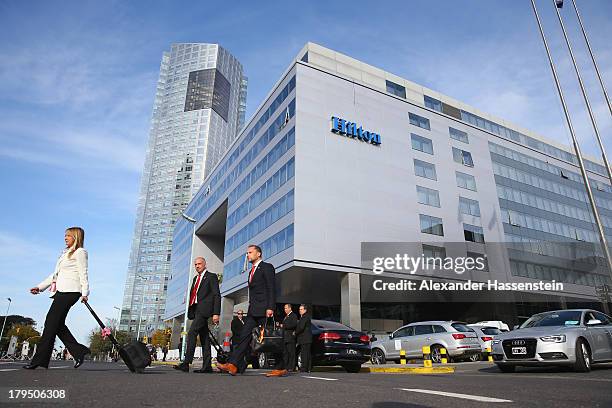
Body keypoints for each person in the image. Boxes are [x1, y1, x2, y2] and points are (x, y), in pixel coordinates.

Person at [25, 227, 91, 370]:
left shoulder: (80, 252)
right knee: (57, 325)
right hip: (61, 291)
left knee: (50, 323)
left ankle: (39, 360)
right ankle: (79, 351)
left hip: (71, 291)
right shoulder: (65, 254)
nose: (65, 238)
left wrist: (85, 293)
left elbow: (83, 273)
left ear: (76, 237)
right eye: (65, 236)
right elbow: (55, 275)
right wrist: (40, 287)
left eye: (68, 236)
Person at [217, 245, 275, 376]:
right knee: (244, 337)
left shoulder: (267, 267)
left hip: (264, 309)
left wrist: (270, 307)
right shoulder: (251, 271)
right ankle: (233, 365)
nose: (247, 255)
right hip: (253, 311)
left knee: (269, 339)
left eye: (250, 252)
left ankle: (282, 365)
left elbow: (272, 288)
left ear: (259, 254)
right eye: (247, 253)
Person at [174, 257, 220, 373]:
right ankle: (207, 366)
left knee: (192, 332)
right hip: (196, 310)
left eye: (199, 264)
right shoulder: (195, 278)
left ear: (205, 264)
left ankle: (186, 362)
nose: (197, 266)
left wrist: (216, 313)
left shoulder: (211, 276)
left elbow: (216, 295)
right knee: (205, 339)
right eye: (195, 264)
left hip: (205, 310)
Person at [266, 303, 297, 377]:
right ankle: (286, 367)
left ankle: (291, 367)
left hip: (290, 337)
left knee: (291, 352)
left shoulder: (293, 315)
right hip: (284, 337)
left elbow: (294, 324)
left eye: (286, 308)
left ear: (290, 308)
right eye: (284, 308)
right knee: (286, 353)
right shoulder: (286, 316)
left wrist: (284, 326)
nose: (285, 310)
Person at [295, 304, 312, 373]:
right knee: (307, 353)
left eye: (301, 309)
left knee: (304, 354)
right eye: (299, 309)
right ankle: (308, 368)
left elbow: (301, 327)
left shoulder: (304, 317)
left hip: (305, 338)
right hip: (307, 339)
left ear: (305, 310)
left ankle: (304, 368)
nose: (300, 311)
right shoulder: (306, 317)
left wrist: (295, 332)